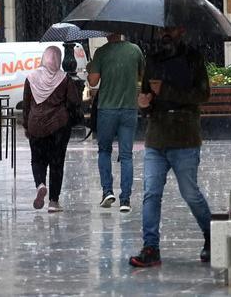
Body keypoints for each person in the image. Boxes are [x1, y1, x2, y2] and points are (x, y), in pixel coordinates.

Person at [129, 26, 213, 268]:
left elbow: (202, 95)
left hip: (184, 136)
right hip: (156, 137)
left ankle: (212, 236)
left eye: (171, 28)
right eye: (162, 28)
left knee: (190, 193)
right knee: (151, 193)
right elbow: (147, 95)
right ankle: (151, 247)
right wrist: (143, 104)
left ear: (182, 30)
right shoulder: (153, 60)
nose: (165, 32)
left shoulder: (193, 59)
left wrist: (166, 90)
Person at [88, 32, 145, 213]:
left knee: (104, 150)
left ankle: (107, 192)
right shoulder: (135, 50)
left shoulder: (101, 53)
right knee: (126, 155)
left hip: (107, 109)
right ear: (122, 32)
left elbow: (93, 81)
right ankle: (125, 199)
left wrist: (92, 69)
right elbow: (142, 77)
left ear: (106, 34)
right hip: (129, 108)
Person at [23, 46, 81, 213]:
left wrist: (27, 125)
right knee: (57, 164)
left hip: (36, 126)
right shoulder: (64, 79)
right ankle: (54, 202)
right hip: (58, 127)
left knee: (37, 160)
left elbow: (26, 104)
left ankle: (40, 184)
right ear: (58, 59)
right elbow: (74, 101)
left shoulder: (31, 78)